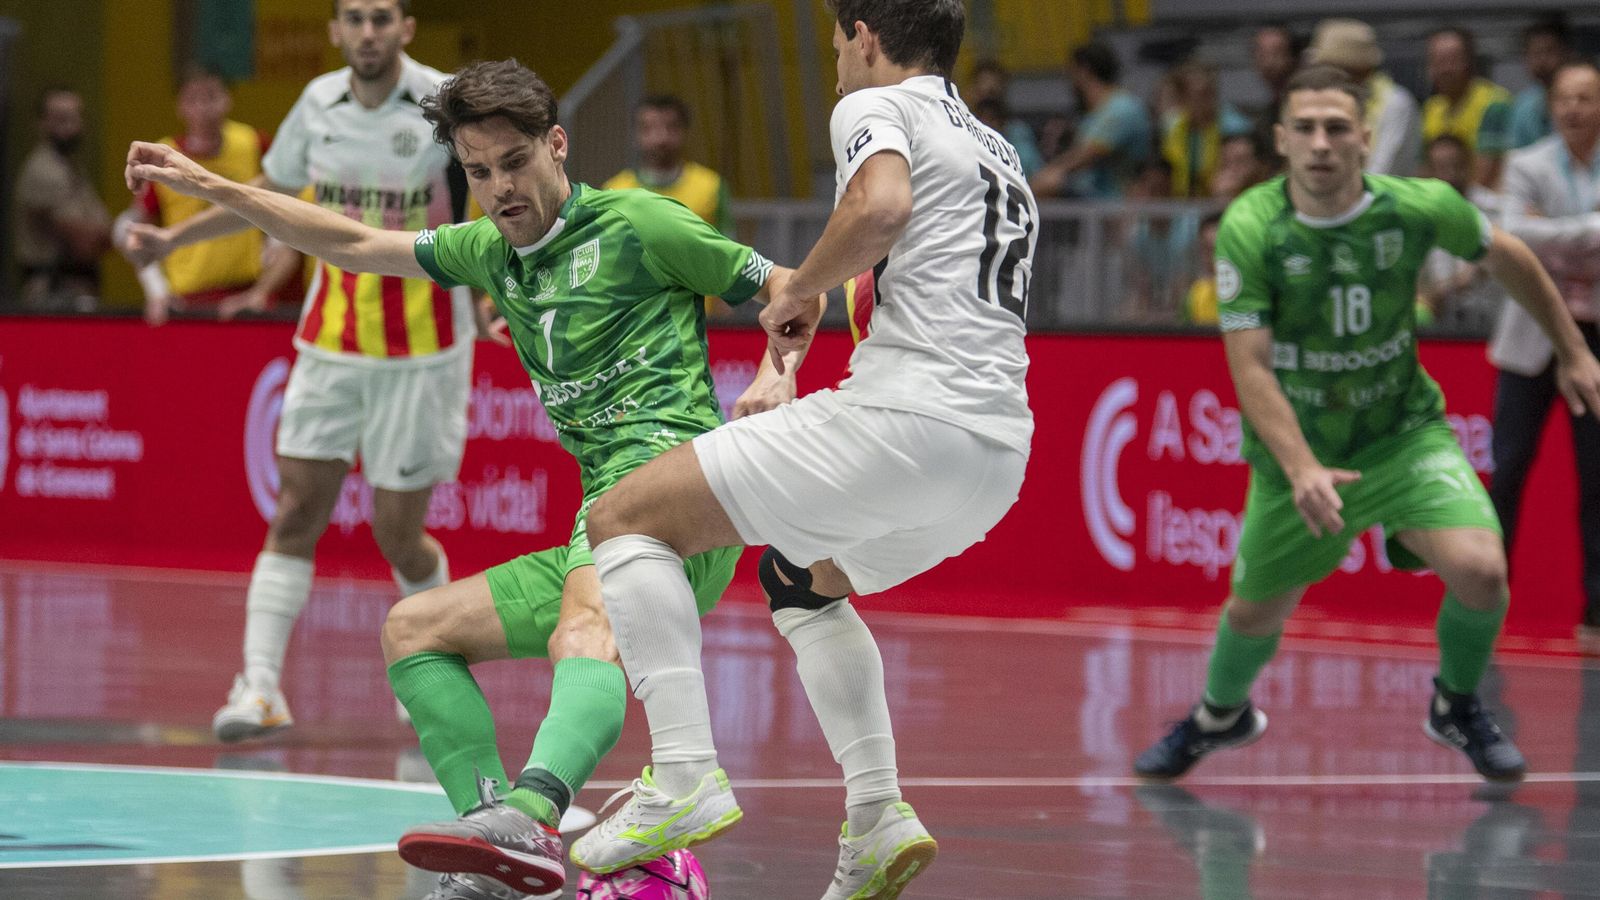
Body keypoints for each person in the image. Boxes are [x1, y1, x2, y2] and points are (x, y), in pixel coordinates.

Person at [127, 56, 809, 900]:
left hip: (676, 499)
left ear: (557, 145)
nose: (499, 188)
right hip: (601, 517)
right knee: (414, 630)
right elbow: (346, 240)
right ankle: (499, 845)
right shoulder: (487, 251)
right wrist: (214, 188)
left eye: (514, 162)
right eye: (478, 172)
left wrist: (778, 372)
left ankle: (534, 811)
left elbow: (784, 288)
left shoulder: (639, 224)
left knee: (583, 625)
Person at [567, 2, 1034, 898]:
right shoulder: (995, 151)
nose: (834, 64)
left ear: (863, 34)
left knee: (624, 516)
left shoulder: (875, 107)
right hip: (994, 459)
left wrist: (802, 287)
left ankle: (683, 773)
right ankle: (876, 816)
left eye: (834, 44)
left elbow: (881, 205)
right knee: (799, 579)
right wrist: (798, 351)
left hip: (905, 424)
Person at [1132, 65, 1600, 785]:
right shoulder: (1251, 230)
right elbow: (1251, 368)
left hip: (1403, 434)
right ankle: (1217, 716)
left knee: (1481, 569)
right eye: (1307, 129)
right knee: (1255, 613)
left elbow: (1509, 255)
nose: (1322, 143)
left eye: (1338, 128)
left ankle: (1457, 704)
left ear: (1366, 139)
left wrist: (1571, 351)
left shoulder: (1416, 206)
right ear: (1282, 141)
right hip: (1302, 457)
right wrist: (1302, 468)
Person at [124, 0, 479, 746]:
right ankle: (258, 688)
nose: (369, 31)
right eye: (355, 17)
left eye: (383, 17)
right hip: (327, 340)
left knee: (398, 535)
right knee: (295, 512)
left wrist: (509, 290)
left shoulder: (448, 104)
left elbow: (500, 205)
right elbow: (266, 201)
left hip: (425, 346)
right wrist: (171, 241)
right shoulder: (316, 104)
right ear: (337, 32)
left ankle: (430, 681)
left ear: (406, 29)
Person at [1489, 60, 1600, 654]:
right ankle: (1484, 604)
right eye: (1564, 98)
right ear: (1552, 105)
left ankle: (1599, 615)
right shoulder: (1527, 164)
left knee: (1598, 482)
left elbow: (1537, 241)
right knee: (1505, 473)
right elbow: (1511, 237)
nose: (1574, 109)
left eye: (1586, 98)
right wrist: (1589, 232)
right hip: (1530, 337)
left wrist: (1550, 233)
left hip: (1596, 340)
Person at [114, 66, 301, 326]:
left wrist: (263, 285)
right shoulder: (160, 155)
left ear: (228, 99)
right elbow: (134, 233)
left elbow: (284, 211)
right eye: (193, 100)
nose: (203, 109)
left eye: (211, 96)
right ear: (180, 106)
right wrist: (156, 290)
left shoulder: (252, 143)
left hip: (247, 294)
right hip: (188, 301)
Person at [11, 86, 111, 312]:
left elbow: (103, 232)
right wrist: (117, 234)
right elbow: (86, 242)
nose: (72, 126)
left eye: (76, 117)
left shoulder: (72, 168)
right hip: (52, 294)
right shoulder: (42, 170)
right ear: (42, 123)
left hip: (80, 290)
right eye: (61, 119)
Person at [1029, 41, 1152, 199]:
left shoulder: (1123, 108)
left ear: (1084, 70)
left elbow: (1088, 155)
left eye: (1071, 72)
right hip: (1089, 200)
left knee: (1050, 183)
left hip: (1114, 202)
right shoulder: (1091, 115)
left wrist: (1047, 173)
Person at [603, 95, 733, 236]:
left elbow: (728, 247)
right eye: (648, 128)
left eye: (671, 127)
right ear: (636, 134)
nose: (660, 138)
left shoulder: (711, 186)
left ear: (685, 131)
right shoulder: (614, 191)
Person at [1307, 18, 1420, 177]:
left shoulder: (1395, 104)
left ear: (1361, 70)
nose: (1325, 78)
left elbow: (1379, 174)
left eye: (1332, 69)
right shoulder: (1328, 106)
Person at [1417, 134, 1502, 331]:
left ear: (1469, 166)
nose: (1450, 175)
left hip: (1490, 322)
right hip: (1442, 327)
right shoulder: (1422, 217)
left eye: (1457, 166)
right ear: (1428, 172)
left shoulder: (1494, 208)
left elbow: (1485, 265)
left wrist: (1442, 290)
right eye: (1441, 168)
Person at [1423, 26, 1512, 188]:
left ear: (1469, 61)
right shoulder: (1431, 108)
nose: (1445, 69)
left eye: (1452, 60)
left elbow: (1487, 175)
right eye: (1437, 61)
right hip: (1441, 199)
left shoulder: (1494, 103)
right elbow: (1424, 169)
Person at [1162, 61, 1253, 198]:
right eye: (1195, 94)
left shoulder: (1235, 127)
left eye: (1209, 92)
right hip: (1182, 205)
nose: (1204, 100)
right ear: (1182, 97)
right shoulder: (1172, 126)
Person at [966, 59, 1044, 177]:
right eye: (983, 93)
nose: (988, 102)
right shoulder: (960, 130)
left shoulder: (1019, 133)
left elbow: (1036, 176)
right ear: (973, 93)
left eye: (993, 93)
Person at [1508, 16, 1572, 151]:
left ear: (1566, 53)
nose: (1542, 60)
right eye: (1535, 53)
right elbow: (1516, 155)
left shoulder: (1587, 98)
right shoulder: (1522, 105)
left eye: (1549, 51)